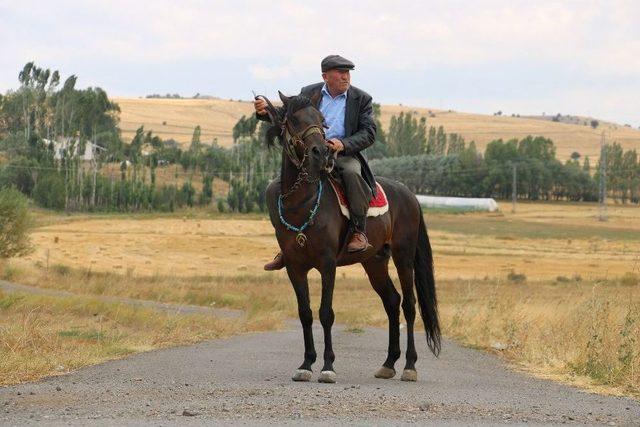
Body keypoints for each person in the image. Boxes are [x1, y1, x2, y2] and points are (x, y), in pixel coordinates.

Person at [256, 54, 377, 270]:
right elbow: (287, 117)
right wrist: (266, 111)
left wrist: (343, 143)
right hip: (310, 156)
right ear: (325, 76)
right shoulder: (308, 92)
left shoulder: (362, 99)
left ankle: (358, 231)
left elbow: (369, 133)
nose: (345, 77)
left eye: (347, 72)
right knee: (274, 189)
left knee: (351, 174)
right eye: (340, 72)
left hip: (343, 154)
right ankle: (287, 245)